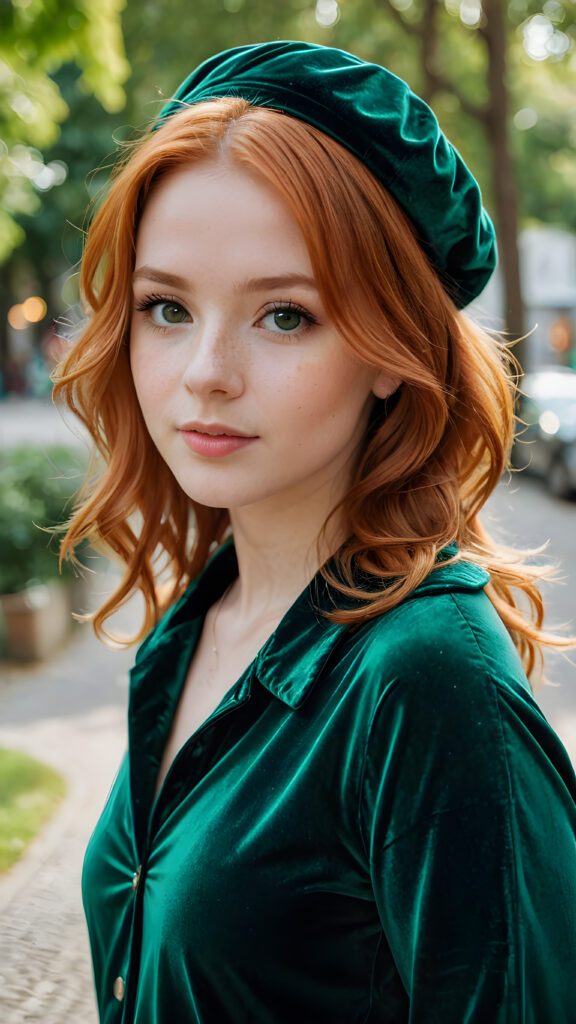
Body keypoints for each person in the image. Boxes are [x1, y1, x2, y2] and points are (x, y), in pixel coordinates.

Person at [53, 41, 576, 1024]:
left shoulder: (426, 682)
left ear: (395, 349)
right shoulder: (197, 620)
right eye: (167, 306)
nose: (206, 370)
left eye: (285, 316)